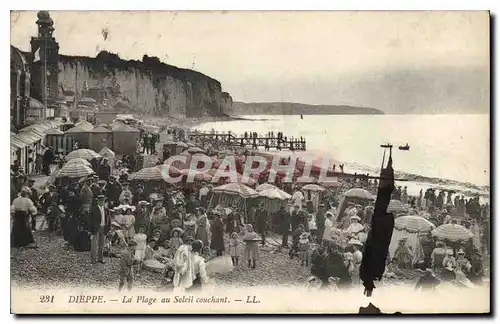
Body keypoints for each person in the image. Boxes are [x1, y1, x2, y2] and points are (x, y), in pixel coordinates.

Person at [88, 195, 111, 264]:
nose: (101, 202)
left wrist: (108, 228)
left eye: (103, 200)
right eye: (100, 200)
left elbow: (109, 220)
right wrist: (90, 230)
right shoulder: (93, 209)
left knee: (101, 245)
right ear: (97, 201)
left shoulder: (106, 209)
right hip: (95, 229)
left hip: (103, 228)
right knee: (94, 245)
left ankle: (100, 259)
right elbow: (90, 221)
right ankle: (93, 260)